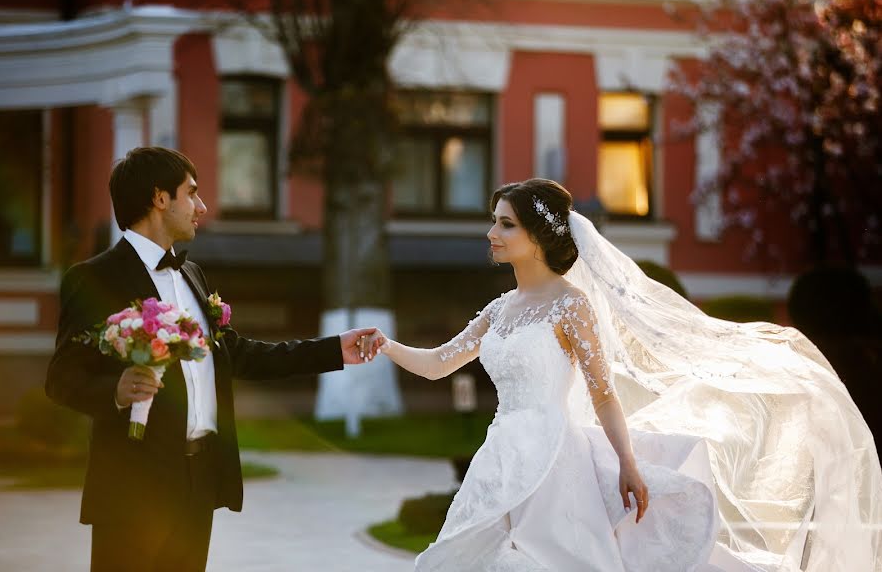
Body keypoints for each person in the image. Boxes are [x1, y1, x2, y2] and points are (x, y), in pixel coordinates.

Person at [367, 178, 882, 571]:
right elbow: (438, 364)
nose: (492, 234)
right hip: (501, 456)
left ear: (539, 237)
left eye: (505, 224)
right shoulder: (499, 309)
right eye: (494, 222)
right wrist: (385, 345)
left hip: (553, 459)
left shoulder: (572, 308)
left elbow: (604, 394)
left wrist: (627, 464)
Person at [46, 147, 378, 572]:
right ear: (159, 198)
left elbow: (238, 355)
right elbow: (61, 378)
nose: (201, 207)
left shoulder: (193, 275)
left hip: (198, 481)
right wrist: (114, 389)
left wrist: (334, 349)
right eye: (192, 193)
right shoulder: (93, 277)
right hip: (132, 487)